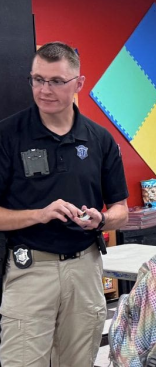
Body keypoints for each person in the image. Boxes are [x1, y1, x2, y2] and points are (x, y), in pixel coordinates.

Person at [0, 42, 129, 366]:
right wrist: (39, 215)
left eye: (56, 81)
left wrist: (100, 219)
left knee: (78, 361)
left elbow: (121, 212)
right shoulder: (8, 135)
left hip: (85, 270)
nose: (44, 90)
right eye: (37, 79)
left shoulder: (100, 140)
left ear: (78, 84)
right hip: (30, 270)